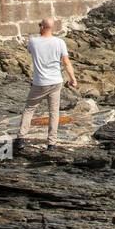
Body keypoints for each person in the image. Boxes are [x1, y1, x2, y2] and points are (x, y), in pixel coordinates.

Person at [19, 18, 78, 149]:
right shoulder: (60, 42)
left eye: (40, 25)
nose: (39, 27)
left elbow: (30, 51)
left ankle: (21, 138)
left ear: (42, 27)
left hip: (40, 82)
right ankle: (51, 143)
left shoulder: (33, 42)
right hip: (56, 82)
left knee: (29, 109)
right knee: (54, 112)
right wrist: (73, 79)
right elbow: (66, 63)